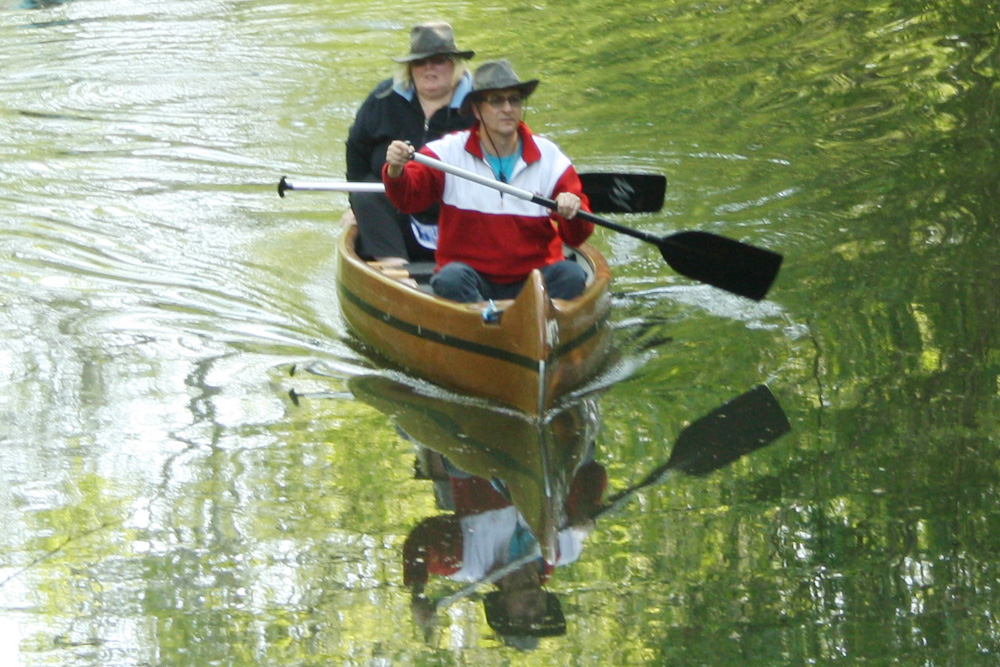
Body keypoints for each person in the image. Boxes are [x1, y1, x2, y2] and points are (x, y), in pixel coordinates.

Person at [382, 59, 594, 302]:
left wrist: (573, 210)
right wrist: (396, 169)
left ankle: (532, 322)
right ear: (476, 110)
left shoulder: (550, 157)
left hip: (535, 276)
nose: (507, 108)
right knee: (450, 279)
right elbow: (408, 200)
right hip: (471, 277)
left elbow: (577, 237)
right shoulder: (446, 153)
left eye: (514, 99)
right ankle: (485, 322)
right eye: (496, 100)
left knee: (571, 275)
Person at [345, 22, 476, 265]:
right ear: (410, 68)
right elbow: (356, 149)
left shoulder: (479, 104)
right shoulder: (383, 98)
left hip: (459, 214)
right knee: (366, 193)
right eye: (419, 61)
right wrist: (355, 208)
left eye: (438, 60)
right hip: (397, 215)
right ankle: (398, 275)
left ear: (454, 64)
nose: (429, 68)